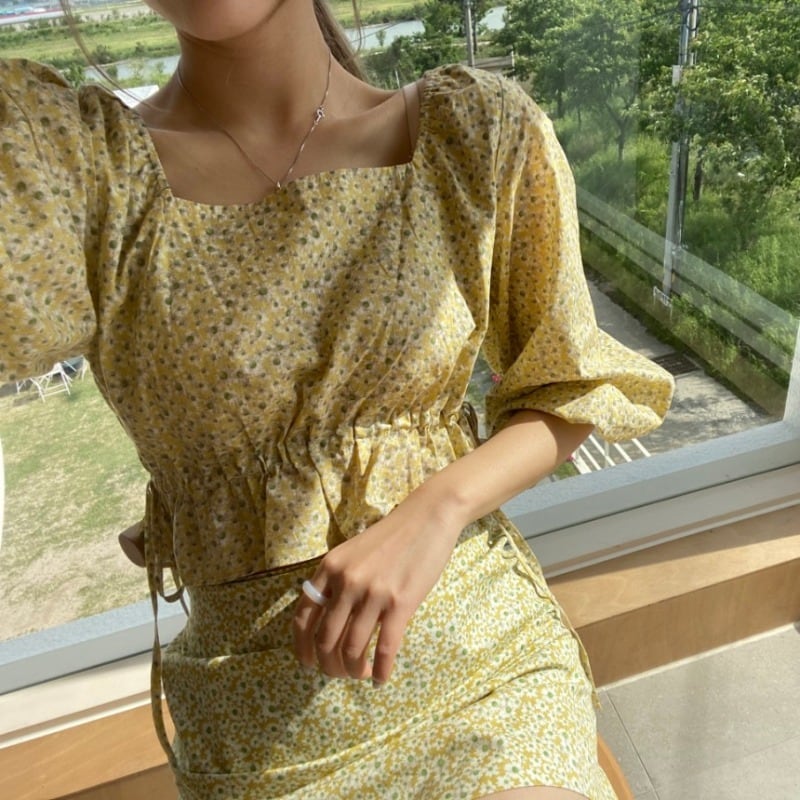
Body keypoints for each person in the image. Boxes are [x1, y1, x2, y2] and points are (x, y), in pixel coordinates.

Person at [0, 1, 674, 798]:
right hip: (252, 715)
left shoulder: (472, 132)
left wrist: (437, 508)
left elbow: (569, 383)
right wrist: (208, 499)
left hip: (480, 659)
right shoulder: (82, 172)